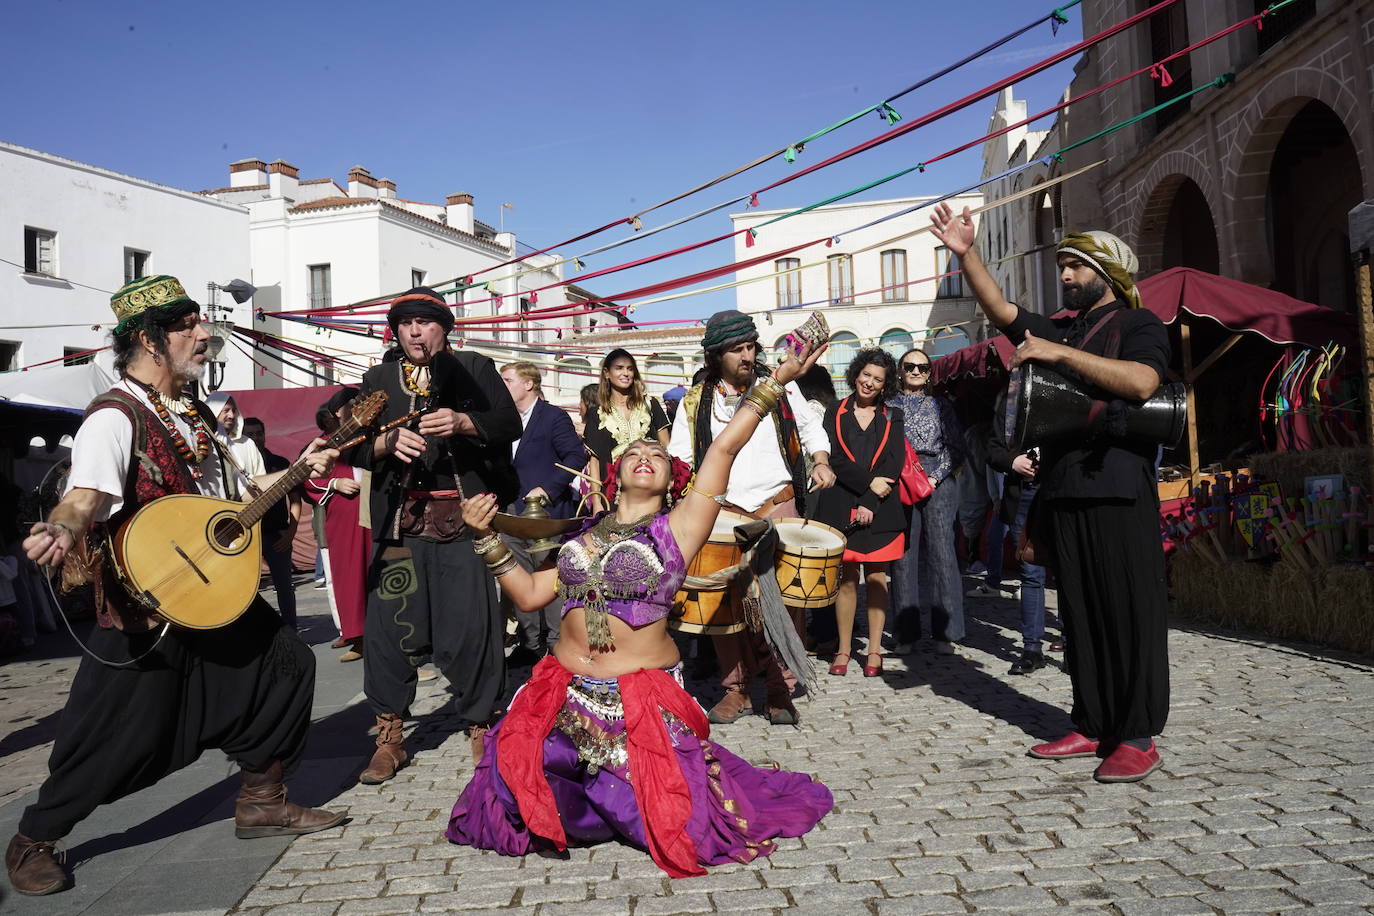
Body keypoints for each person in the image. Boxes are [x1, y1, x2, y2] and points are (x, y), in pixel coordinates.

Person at [6, 275, 345, 897]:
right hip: (150, 600)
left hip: (210, 589)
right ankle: (34, 837)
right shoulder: (115, 416)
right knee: (115, 735)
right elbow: (87, 494)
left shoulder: (193, 414)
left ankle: (262, 799)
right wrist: (62, 526)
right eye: (189, 326)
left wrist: (299, 472)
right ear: (149, 339)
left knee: (288, 663)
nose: (204, 333)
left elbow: (225, 502)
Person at [446, 336, 834, 877]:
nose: (645, 457)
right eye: (634, 453)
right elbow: (531, 594)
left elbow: (723, 448)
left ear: (673, 478)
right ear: (616, 472)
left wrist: (777, 380)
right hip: (564, 691)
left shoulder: (679, 527)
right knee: (515, 791)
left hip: (639, 700)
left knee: (676, 821)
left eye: (656, 455)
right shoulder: (582, 535)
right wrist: (485, 539)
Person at [931, 203, 1171, 783]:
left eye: (1075, 266)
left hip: (1118, 490)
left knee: (1126, 611)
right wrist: (966, 253)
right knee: (1081, 616)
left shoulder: (1139, 325)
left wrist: (1059, 353)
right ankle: (1093, 722)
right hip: (1064, 489)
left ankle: (1136, 736)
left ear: (1107, 274)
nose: (1064, 275)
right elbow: (1000, 309)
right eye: (1062, 265)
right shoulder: (1066, 327)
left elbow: (1143, 381)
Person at [346, 286, 521, 782]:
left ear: (444, 328)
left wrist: (465, 421)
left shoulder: (475, 367)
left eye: (424, 322)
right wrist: (383, 443)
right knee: (389, 630)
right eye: (405, 324)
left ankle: (481, 723)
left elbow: (509, 423)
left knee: (470, 628)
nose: (414, 332)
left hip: (463, 522)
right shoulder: (378, 379)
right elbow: (351, 445)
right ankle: (390, 737)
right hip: (400, 528)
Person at [668, 310, 835, 725]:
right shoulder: (694, 401)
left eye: (750, 347)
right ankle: (736, 690)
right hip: (721, 514)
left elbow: (811, 429)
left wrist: (820, 460)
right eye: (736, 349)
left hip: (777, 504)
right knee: (725, 605)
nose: (747, 356)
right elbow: (681, 458)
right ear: (715, 355)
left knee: (784, 603)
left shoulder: (780, 385)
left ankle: (781, 687)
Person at [814, 349, 906, 677]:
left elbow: (893, 461)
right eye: (866, 375)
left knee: (878, 578)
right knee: (847, 580)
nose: (869, 382)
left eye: (878, 379)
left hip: (882, 506)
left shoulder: (893, 415)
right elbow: (834, 458)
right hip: (841, 504)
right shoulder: (835, 411)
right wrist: (868, 486)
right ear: (856, 374)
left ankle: (875, 650)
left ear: (885, 385)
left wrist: (869, 501)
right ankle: (843, 649)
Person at [499, 361, 586, 665]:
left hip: (545, 514)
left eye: (507, 380)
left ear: (528, 384)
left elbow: (575, 457)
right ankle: (530, 644)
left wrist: (548, 489)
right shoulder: (502, 419)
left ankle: (557, 644)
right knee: (518, 578)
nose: (502, 386)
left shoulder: (552, 416)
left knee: (549, 580)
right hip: (511, 510)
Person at [888, 348, 965, 656]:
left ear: (930, 373)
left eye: (922, 367)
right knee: (903, 556)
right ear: (900, 370)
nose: (916, 371)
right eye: (910, 366)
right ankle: (906, 633)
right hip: (901, 477)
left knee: (942, 553)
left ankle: (946, 632)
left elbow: (955, 446)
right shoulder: (888, 406)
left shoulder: (941, 405)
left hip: (938, 478)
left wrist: (934, 478)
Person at [303, 388, 369, 662]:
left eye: (359, 402)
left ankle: (389, 636)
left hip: (375, 507)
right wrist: (335, 483)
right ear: (337, 413)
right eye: (350, 404)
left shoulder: (376, 436)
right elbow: (306, 476)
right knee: (349, 575)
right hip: (344, 513)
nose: (355, 407)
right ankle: (357, 636)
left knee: (381, 572)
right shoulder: (325, 443)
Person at [581, 349, 670, 502]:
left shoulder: (650, 405)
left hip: (652, 489)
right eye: (619, 368)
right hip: (615, 494)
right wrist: (596, 501)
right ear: (607, 373)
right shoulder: (598, 414)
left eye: (630, 369)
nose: (626, 373)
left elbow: (667, 447)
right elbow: (594, 462)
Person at [242, 416, 302, 628]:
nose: (255, 438)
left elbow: (295, 500)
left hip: (277, 535)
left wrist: (291, 532)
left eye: (259, 433)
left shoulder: (280, 464)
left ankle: (292, 631)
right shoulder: (237, 467)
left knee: (284, 587)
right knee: (246, 589)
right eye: (250, 434)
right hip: (245, 537)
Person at [204, 392, 266, 497]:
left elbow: (261, 478)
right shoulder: (203, 442)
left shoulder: (247, 443)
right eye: (226, 411)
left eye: (234, 411)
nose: (231, 415)